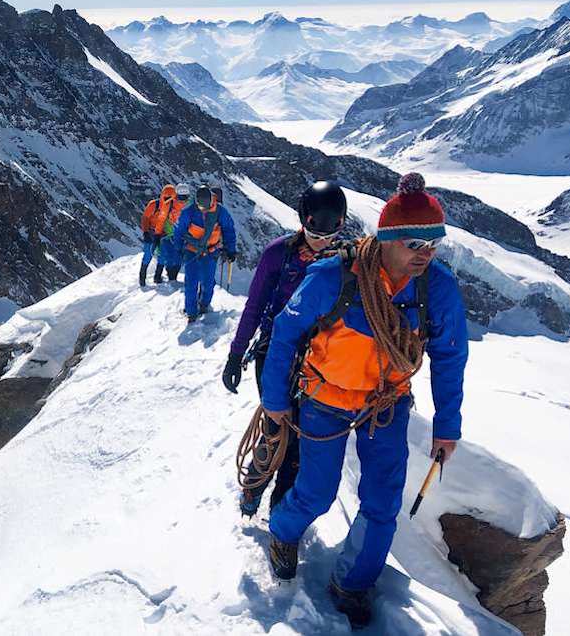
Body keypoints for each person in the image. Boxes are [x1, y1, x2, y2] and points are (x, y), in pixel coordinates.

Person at [258, 173, 468, 629]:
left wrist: (447, 426)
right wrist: (275, 399)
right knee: (316, 491)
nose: (425, 253)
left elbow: (450, 356)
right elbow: (286, 333)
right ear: (387, 238)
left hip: (387, 402)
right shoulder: (335, 276)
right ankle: (283, 531)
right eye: (414, 242)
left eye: (433, 242)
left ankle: (353, 583)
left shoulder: (438, 289)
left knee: (382, 500)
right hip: (325, 397)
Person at [225, 181, 348, 517]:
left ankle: (280, 507)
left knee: (301, 438)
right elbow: (255, 306)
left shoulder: (345, 261)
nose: (322, 241)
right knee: (278, 425)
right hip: (275, 354)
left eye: (330, 234)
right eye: (315, 232)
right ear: (303, 220)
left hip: (322, 360)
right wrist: (236, 353)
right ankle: (255, 486)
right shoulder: (278, 254)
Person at [173, 184, 236, 322]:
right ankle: (191, 312)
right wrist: (178, 249)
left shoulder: (220, 212)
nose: (203, 209)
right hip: (192, 251)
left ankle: (204, 305)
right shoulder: (188, 212)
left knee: (208, 282)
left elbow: (229, 230)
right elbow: (178, 231)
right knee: (191, 282)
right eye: (200, 206)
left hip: (211, 251)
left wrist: (231, 250)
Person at [139, 185, 181, 287]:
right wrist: (145, 232)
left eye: (170, 199)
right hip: (151, 232)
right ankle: (142, 278)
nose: (167, 201)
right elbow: (145, 218)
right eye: (166, 198)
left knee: (163, 256)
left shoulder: (172, 208)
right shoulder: (153, 205)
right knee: (148, 254)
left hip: (163, 234)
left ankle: (157, 277)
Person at [156, 188, 188, 283]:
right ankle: (172, 277)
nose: (182, 199)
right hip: (175, 235)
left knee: (174, 256)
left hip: (172, 234)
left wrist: (158, 233)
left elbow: (161, 219)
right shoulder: (189, 205)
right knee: (176, 256)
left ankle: (171, 277)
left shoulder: (169, 204)